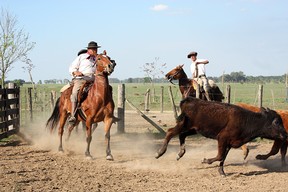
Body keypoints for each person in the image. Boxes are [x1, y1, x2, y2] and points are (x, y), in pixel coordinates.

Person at [68, 41, 101, 123]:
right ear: (89, 50)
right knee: (75, 93)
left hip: (94, 80)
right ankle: (73, 115)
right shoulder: (81, 57)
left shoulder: (97, 58)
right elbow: (72, 68)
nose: (96, 51)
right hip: (81, 79)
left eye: (96, 49)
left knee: (107, 89)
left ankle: (107, 112)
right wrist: (76, 72)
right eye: (94, 49)